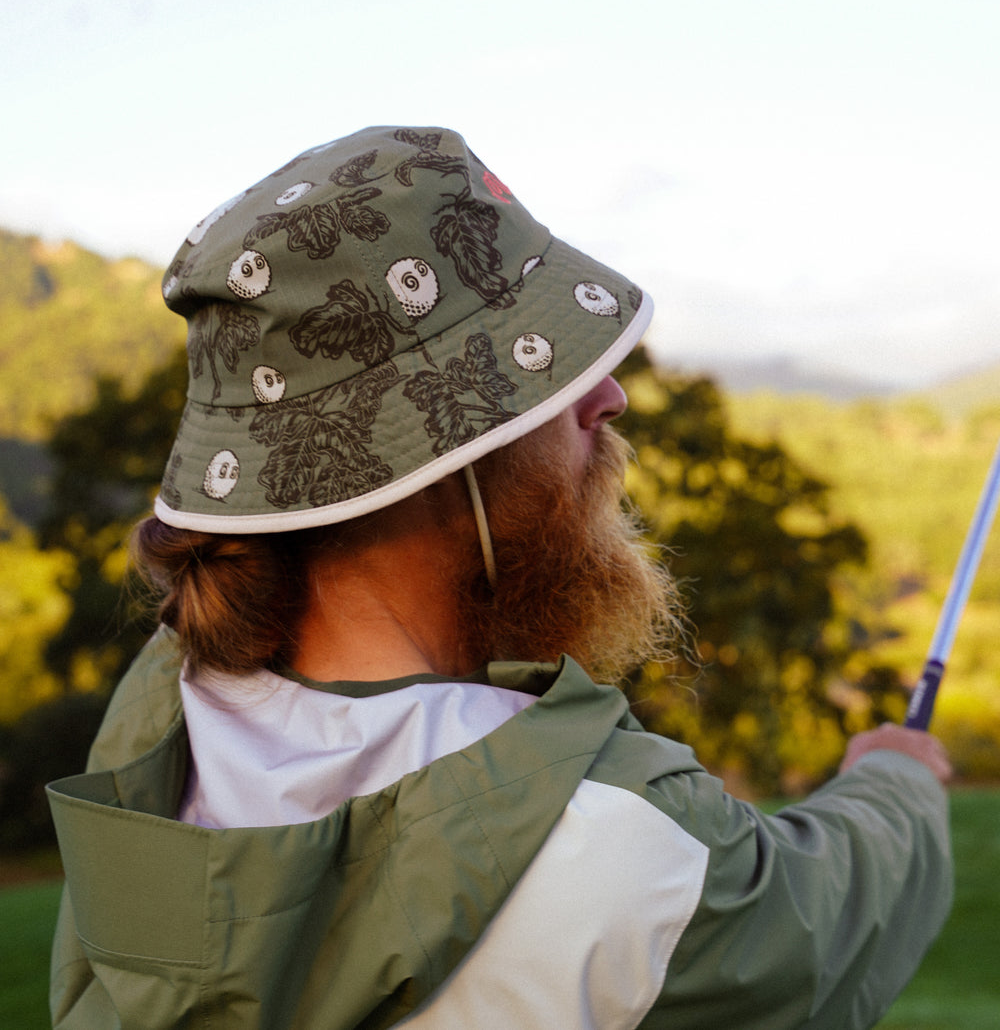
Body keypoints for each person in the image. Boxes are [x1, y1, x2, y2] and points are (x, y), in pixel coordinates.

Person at [47, 125, 952, 1030]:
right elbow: (814, 927)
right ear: (442, 455)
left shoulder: (161, 707)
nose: (608, 395)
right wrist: (895, 776)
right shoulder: (608, 836)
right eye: (543, 369)